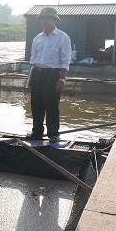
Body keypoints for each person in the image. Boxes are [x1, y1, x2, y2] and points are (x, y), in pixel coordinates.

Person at [27, 7, 72, 142]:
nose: (45, 21)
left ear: (54, 20)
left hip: (52, 75)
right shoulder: (37, 38)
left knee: (51, 105)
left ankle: (53, 134)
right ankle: (37, 132)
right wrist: (30, 78)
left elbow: (65, 60)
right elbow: (33, 59)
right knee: (36, 104)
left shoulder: (63, 37)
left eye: (48, 18)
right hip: (37, 74)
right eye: (43, 18)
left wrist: (62, 79)